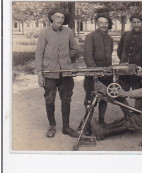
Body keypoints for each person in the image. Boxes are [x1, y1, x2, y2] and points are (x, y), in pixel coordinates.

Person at [35, 8, 79, 138]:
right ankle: (52, 126)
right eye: (58, 17)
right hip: (49, 72)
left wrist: (67, 59)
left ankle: (66, 127)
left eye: (62, 17)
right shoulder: (44, 33)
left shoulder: (68, 31)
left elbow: (75, 48)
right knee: (49, 99)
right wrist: (39, 73)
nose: (60, 19)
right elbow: (39, 54)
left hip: (65, 72)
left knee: (66, 99)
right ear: (52, 18)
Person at [116, 13, 142, 116]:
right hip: (124, 72)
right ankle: (128, 116)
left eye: (138, 22)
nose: (136, 24)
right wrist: (124, 62)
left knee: (138, 96)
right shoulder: (125, 35)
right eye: (134, 22)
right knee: (117, 93)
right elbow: (119, 51)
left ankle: (137, 118)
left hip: (138, 73)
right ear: (131, 23)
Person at [82, 14, 114, 136]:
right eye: (101, 22)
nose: (104, 25)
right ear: (97, 23)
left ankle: (101, 121)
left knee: (104, 98)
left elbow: (109, 56)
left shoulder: (110, 39)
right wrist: (95, 71)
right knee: (90, 100)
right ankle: (87, 125)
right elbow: (88, 55)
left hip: (106, 74)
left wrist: (108, 72)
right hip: (93, 74)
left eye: (106, 22)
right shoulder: (90, 37)